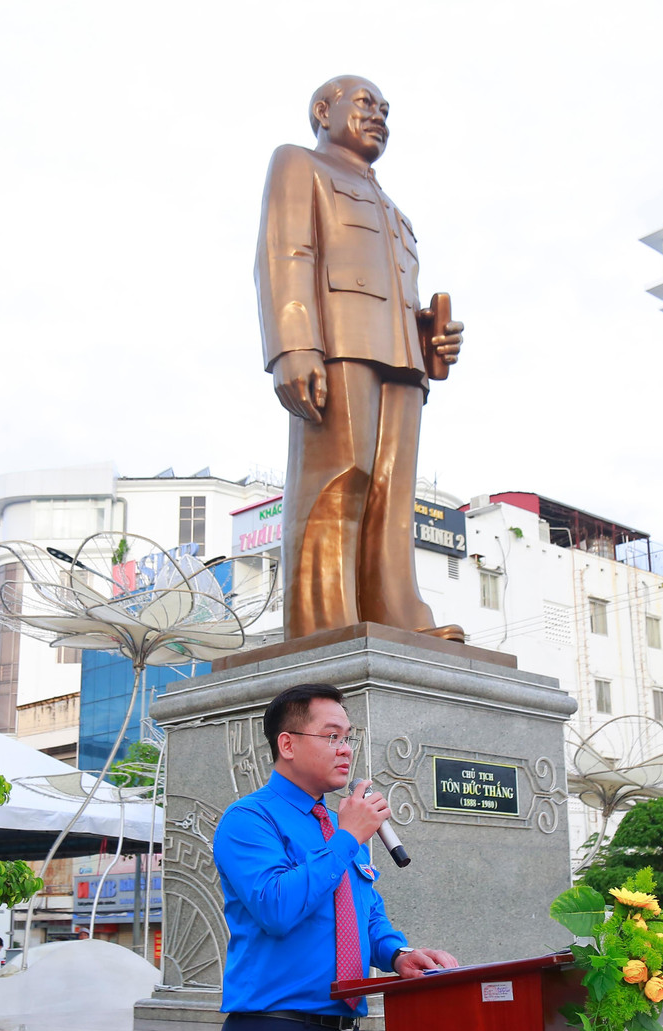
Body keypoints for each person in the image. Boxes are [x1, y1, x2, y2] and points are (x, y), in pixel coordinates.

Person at [256, 76, 466, 642]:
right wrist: (293, 345)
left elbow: (400, 296)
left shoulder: (398, 213)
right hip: (338, 346)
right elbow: (286, 252)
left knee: (392, 493)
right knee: (342, 475)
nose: (379, 117)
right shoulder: (300, 164)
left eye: (386, 110)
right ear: (323, 111)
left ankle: (395, 613)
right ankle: (325, 623)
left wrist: (432, 337)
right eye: (365, 105)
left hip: (402, 360)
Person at [213, 683, 457, 1031]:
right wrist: (348, 838)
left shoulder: (340, 825)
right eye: (331, 737)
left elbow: (363, 913)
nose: (345, 749)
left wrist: (398, 954)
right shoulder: (250, 819)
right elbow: (275, 907)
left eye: (347, 738)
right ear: (286, 744)